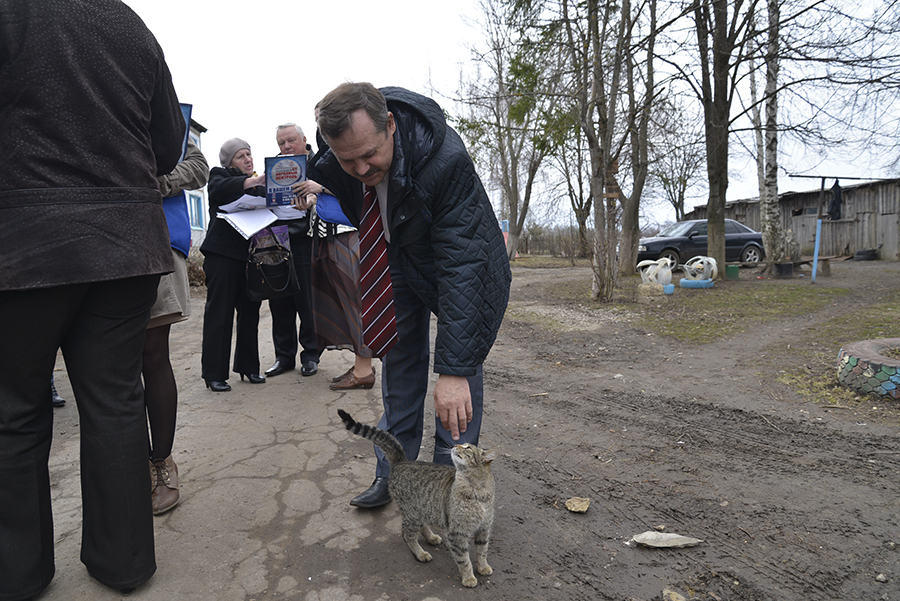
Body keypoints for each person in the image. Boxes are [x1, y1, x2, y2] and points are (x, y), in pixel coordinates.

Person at [0, 1, 185, 598]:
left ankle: (18, 573)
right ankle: (124, 563)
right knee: (114, 399)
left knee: (14, 411)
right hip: (125, 244)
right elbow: (167, 142)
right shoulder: (129, 23)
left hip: (25, 243)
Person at [310, 83, 511, 508]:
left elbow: (464, 268)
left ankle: (447, 484)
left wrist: (453, 371)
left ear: (390, 125)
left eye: (370, 155)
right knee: (398, 363)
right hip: (395, 256)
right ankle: (395, 475)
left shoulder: (445, 161)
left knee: (460, 364)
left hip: (459, 261)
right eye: (349, 160)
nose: (362, 169)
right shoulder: (334, 165)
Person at [146, 138, 209, 515]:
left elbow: (197, 166)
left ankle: (162, 463)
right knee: (114, 366)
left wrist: (155, 181)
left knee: (153, 356)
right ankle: (128, 465)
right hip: (98, 244)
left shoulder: (162, 111)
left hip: (157, 239)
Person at [199, 139, 267, 392]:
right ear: (229, 162)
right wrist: (252, 182)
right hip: (222, 256)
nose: (248, 159)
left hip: (251, 257)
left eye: (249, 154)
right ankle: (214, 374)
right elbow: (218, 188)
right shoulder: (219, 176)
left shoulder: (260, 187)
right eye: (241, 156)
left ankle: (249, 367)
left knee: (250, 313)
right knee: (220, 313)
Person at [263, 124, 321, 379]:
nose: (286, 147)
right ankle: (283, 357)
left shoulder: (317, 164)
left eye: (291, 141)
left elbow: (330, 191)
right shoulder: (271, 169)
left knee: (307, 301)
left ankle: (310, 355)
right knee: (279, 301)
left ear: (304, 140)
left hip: (305, 239)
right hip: (275, 238)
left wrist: (312, 200)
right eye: (281, 143)